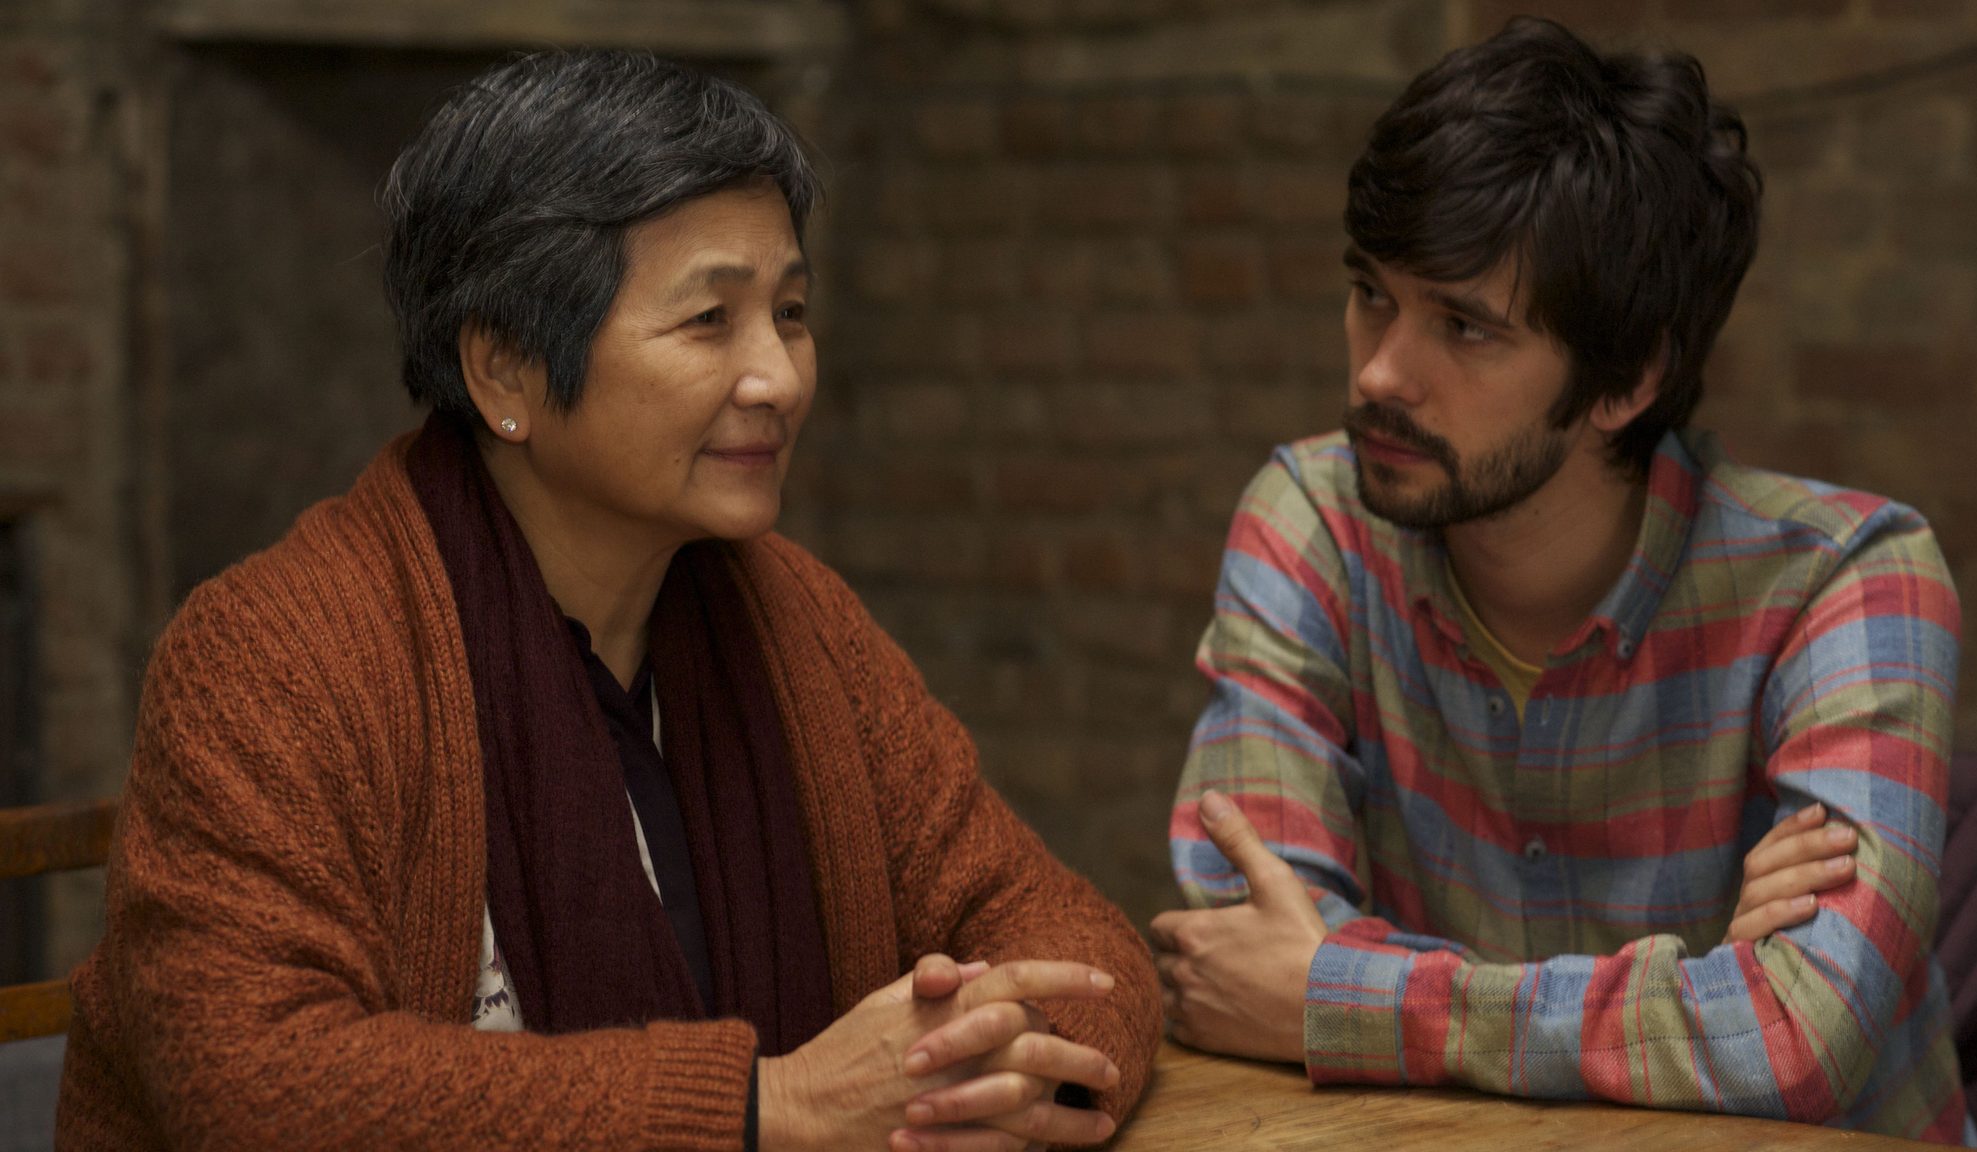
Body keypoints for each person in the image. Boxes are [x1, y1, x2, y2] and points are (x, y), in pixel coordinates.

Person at [56, 50, 1159, 1151]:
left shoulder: (792, 622)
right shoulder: (276, 656)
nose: (776, 377)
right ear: (504, 374)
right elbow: (253, 1085)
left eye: (790, 312)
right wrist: (768, 1109)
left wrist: (993, 1071)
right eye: (708, 322)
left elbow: (1073, 939)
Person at [1152, 17, 1968, 1143]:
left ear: (1625, 379)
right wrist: (1693, 994)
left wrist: (1334, 992)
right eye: (1371, 293)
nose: (1379, 369)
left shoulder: (1844, 580)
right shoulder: (1314, 523)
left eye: (1464, 327)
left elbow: (1794, 1042)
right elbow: (1232, 955)